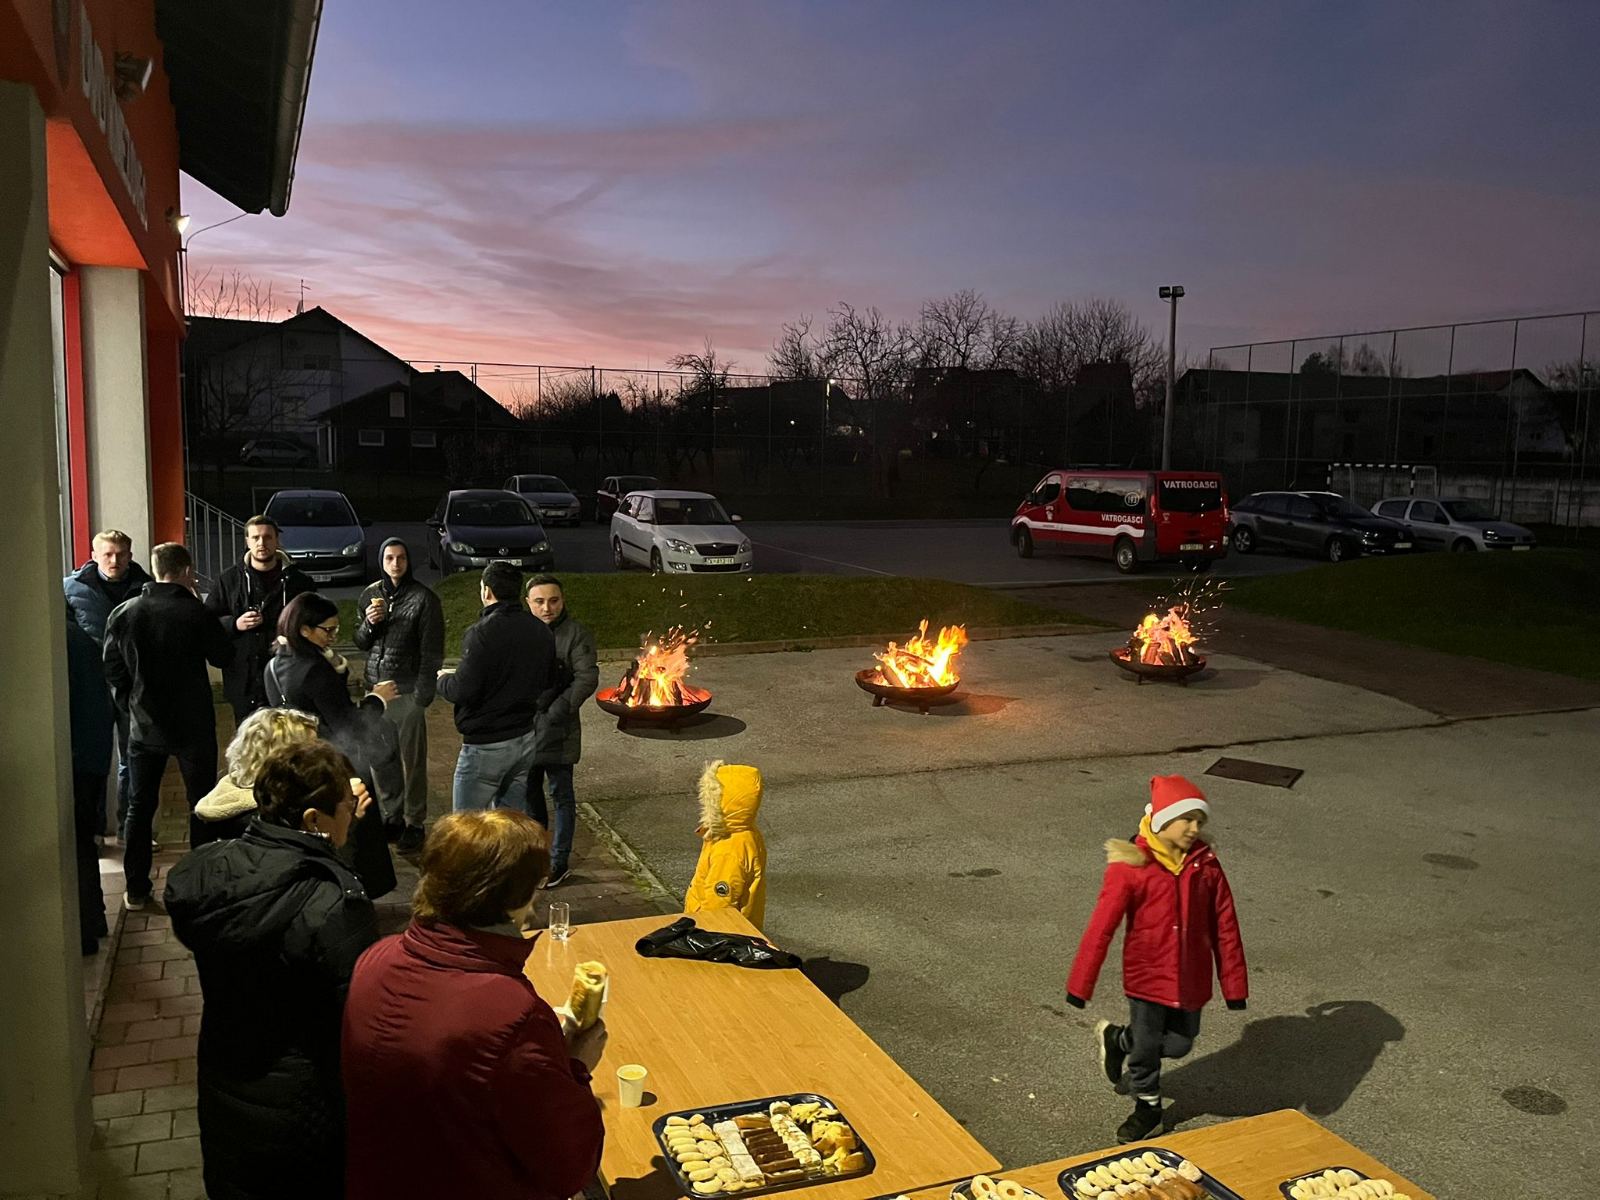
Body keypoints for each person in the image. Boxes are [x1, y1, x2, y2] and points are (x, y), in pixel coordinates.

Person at [342, 810, 607, 1200]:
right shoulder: (510, 1012)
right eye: (535, 885)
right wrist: (576, 1066)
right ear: (513, 898)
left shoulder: (376, 958)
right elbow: (569, 1166)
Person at [165, 741, 380, 1200]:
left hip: (224, 1077)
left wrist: (336, 841)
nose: (353, 813)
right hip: (304, 1105)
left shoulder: (208, 871)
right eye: (346, 807)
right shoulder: (332, 905)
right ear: (313, 819)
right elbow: (357, 1020)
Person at [1065, 774, 1249, 1143]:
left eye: (1200, 821)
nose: (1194, 829)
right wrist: (1080, 985)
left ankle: (1118, 1039)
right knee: (1148, 1048)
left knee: (1180, 1044)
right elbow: (1101, 927)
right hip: (1146, 977)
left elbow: (1225, 925)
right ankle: (1147, 1107)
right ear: (1164, 819)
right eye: (1187, 820)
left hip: (1191, 978)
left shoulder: (1206, 865)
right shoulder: (1132, 865)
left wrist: (1234, 987)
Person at [102, 542, 233, 910]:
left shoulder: (125, 612)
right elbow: (223, 656)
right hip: (193, 724)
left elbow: (112, 667)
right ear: (186, 571)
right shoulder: (195, 612)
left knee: (140, 807)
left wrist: (131, 703)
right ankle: (200, 885)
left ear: (155, 569)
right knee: (201, 804)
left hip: (144, 726)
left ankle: (137, 888)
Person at [266, 592, 400, 900]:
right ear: (304, 630)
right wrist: (377, 699)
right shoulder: (315, 670)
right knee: (349, 833)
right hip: (335, 764)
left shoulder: (274, 664)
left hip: (297, 762)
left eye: (336, 629)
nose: (333, 636)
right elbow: (348, 724)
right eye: (327, 630)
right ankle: (355, 895)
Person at [436, 562, 558, 814]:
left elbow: (462, 690)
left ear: (486, 591)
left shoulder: (481, 633)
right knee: (509, 823)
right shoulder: (540, 629)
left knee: (467, 826)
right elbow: (548, 679)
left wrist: (441, 680)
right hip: (524, 738)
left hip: (486, 745)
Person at [352, 537, 444, 853]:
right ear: (381, 561)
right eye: (389, 558)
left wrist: (421, 697)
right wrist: (369, 623)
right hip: (376, 692)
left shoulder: (424, 599)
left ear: (408, 561)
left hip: (406, 693)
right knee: (381, 760)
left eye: (401, 558)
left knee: (412, 762)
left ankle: (414, 821)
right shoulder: (370, 594)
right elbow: (361, 642)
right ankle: (392, 816)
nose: (395, 563)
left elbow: (432, 652)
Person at [63, 529, 153, 840]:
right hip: (90, 688)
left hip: (132, 686)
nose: (114, 560)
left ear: (130, 555)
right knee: (93, 759)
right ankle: (95, 831)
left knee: (132, 758)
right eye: (107, 554)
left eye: (120, 554)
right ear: (94, 556)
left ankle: (130, 829)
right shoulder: (71, 589)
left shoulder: (147, 589)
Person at [204, 514, 316, 726]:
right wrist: (235, 624)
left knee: (288, 741)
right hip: (244, 682)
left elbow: (316, 622)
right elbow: (207, 622)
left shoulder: (299, 582)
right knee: (250, 742)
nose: (261, 543)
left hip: (288, 677)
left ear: (277, 540)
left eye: (267, 537)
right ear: (247, 541)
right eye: (255, 538)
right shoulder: (229, 580)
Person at [526, 574, 597, 887]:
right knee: (530, 798)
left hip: (559, 730)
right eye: (539, 601)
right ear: (528, 603)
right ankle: (536, 856)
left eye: (553, 600)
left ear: (563, 600)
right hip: (526, 731)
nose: (547, 608)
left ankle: (558, 862)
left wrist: (557, 711)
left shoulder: (575, 633)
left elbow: (587, 678)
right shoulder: (522, 631)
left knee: (562, 796)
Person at [194, 708, 321, 844]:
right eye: (312, 749)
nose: (321, 756)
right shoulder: (271, 818)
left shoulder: (227, 794)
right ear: (282, 756)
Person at [66, 604, 113, 954]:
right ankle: (93, 921)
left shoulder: (55, 644)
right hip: (91, 758)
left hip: (73, 761)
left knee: (74, 846)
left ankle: (82, 932)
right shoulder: (81, 639)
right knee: (83, 845)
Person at [684, 760, 768, 930]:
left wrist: (697, 931)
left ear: (721, 802)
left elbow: (718, 909)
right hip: (738, 930)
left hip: (714, 933)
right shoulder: (744, 832)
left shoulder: (729, 850)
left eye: (710, 798)